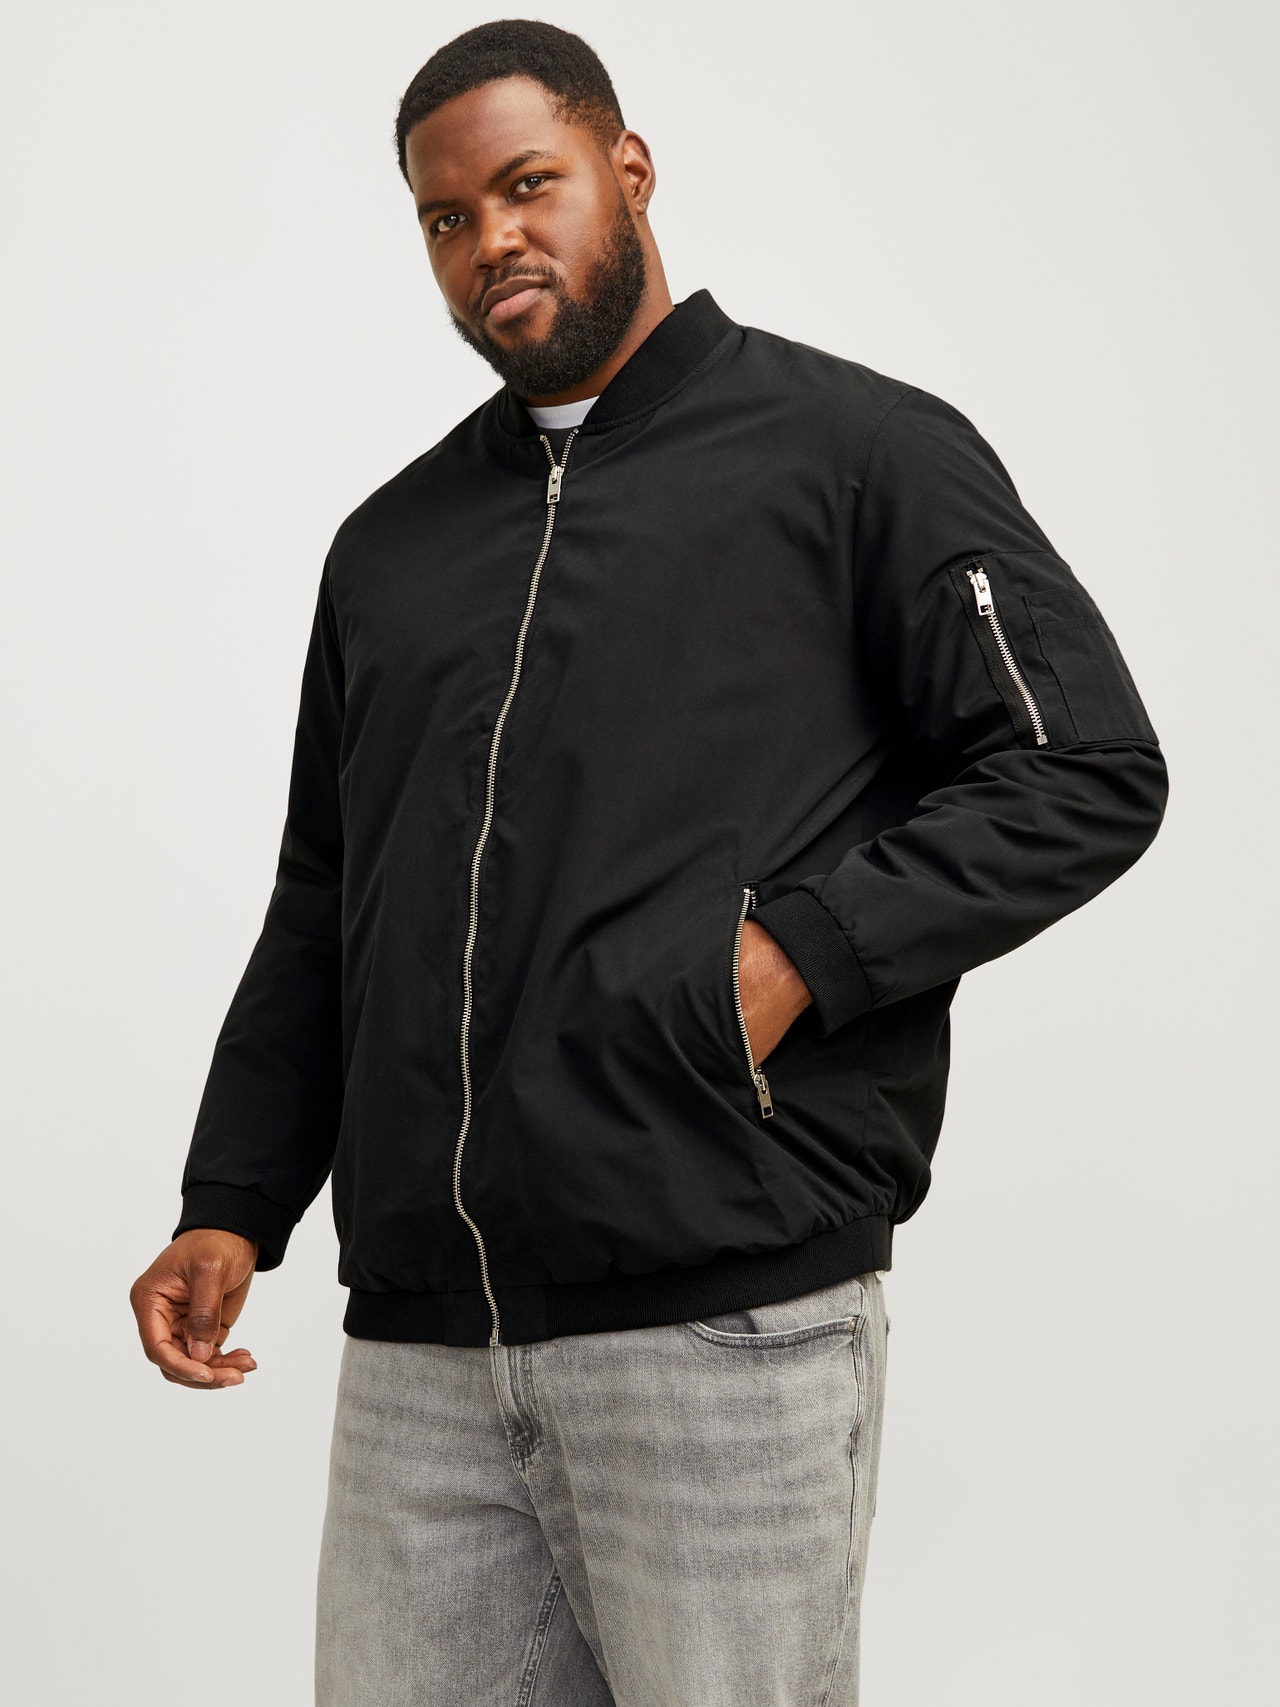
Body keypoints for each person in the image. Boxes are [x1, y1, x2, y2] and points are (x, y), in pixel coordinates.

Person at [129, 18, 1168, 1706]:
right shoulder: (389, 548)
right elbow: (327, 895)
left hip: (721, 1334)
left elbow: (1082, 767)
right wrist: (234, 1201)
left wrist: (794, 958)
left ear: (628, 170)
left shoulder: (856, 454)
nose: (492, 241)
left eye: (527, 186)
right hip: (422, 1362)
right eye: (447, 217)